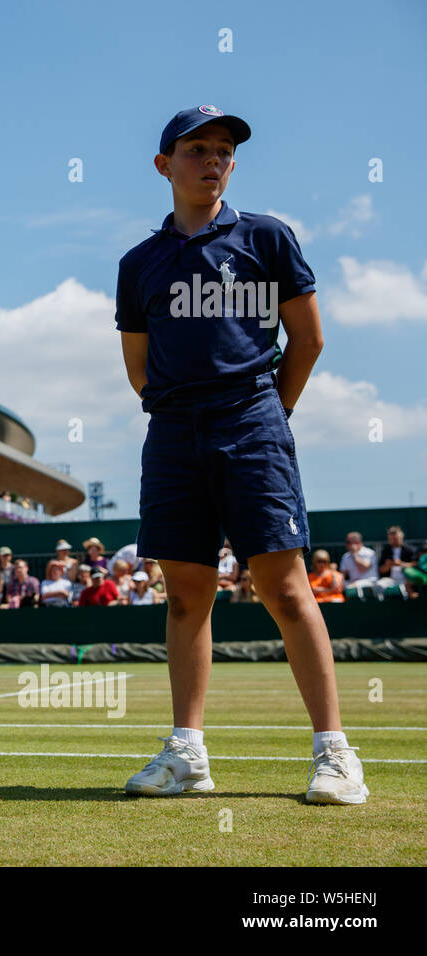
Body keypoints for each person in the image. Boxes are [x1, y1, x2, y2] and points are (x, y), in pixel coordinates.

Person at [115, 105, 365, 804]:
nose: (213, 159)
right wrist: (181, 408)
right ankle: (187, 757)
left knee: (285, 588)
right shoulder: (139, 263)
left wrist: (267, 413)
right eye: (197, 148)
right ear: (164, 164)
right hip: (172, 432)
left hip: (253, 423)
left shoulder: (267, 238)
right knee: (186, 595)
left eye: (224, 149)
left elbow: (308, 341)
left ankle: (335, 755)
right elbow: (138, 367)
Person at [377, 526, 418, 597]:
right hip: (391, 579)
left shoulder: (410, 549)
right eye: (391, 539)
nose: (393, 540)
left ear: (401, 537)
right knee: (379, 585)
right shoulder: (386, 551)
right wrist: (388, 565)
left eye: (395, 538)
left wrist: (401, 564)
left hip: (407, 580)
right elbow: (381, 570)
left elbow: (416, 564)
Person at [338, 532, 378, 600]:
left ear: (357, 542)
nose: (346, 544)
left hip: (370, 581)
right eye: (347, 542)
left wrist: (354, 555)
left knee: (350, 587)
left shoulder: (369, 553)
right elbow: (343, 574)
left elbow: (363, 569)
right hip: (352, 582)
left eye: (348, 542)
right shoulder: (345, 556)